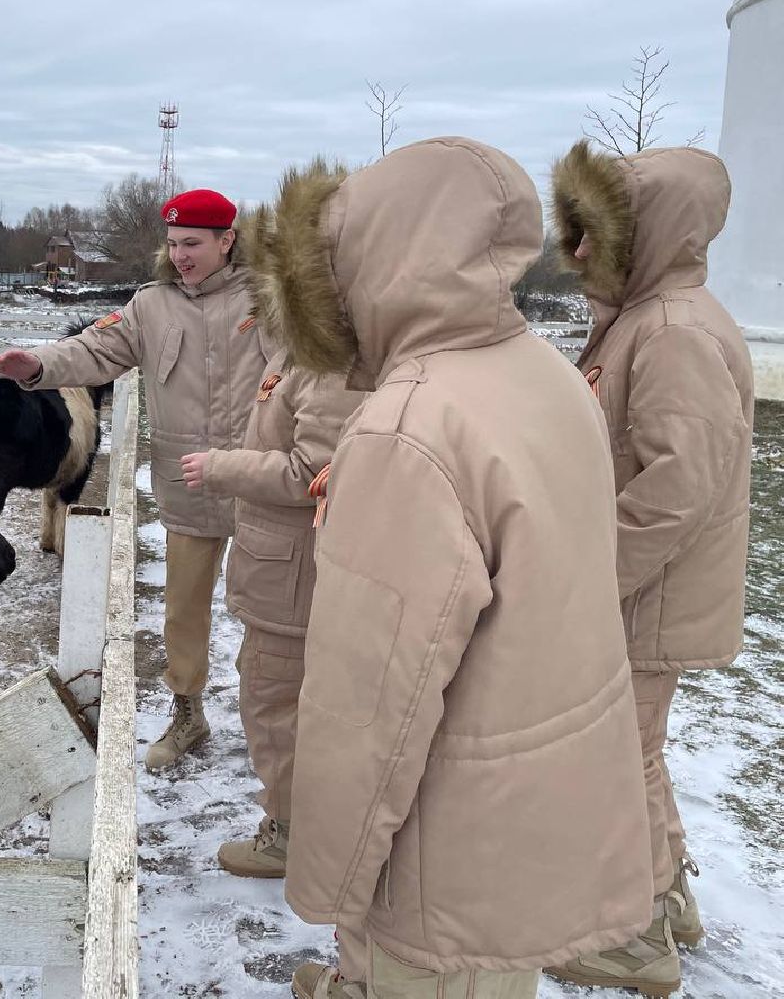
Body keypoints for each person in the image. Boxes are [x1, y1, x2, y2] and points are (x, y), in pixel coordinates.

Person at [252, 139, 653, 999]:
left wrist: (328, 880)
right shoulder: (540, 371)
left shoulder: (408, 428)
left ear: (367, 259)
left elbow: (367, 708)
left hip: (442, 845)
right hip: (526, 808)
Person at [543, 141, 754, 997]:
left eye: (594, 231)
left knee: (613, 762)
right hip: (640, 594)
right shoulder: (647, 315)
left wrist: (588, 584)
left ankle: (629, 939)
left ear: (649, 232)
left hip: (641, 600)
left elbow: (676, 489)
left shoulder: (671, 331)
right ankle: (667, 899)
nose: (579, 249)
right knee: (634, 754)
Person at [0, 188, 268, 771]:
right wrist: (39, 365)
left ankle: (270, 722)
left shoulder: (269, 299)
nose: (181, 255)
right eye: (173, 244)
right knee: (183, 610)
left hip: (263, 482)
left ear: (227, 240)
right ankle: (188, 712)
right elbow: (96, 350)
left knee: (268, 611)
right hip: (187, 482)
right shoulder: (151, 305)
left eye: (193, 243)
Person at [179, 165, 363, 876]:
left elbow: (311, 472)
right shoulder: (300, 347)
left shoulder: (329, 361)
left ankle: (292, 837)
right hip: (280, 571)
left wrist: (222, 466)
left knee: (276, 706)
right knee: (278, 700)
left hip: (293, 579)